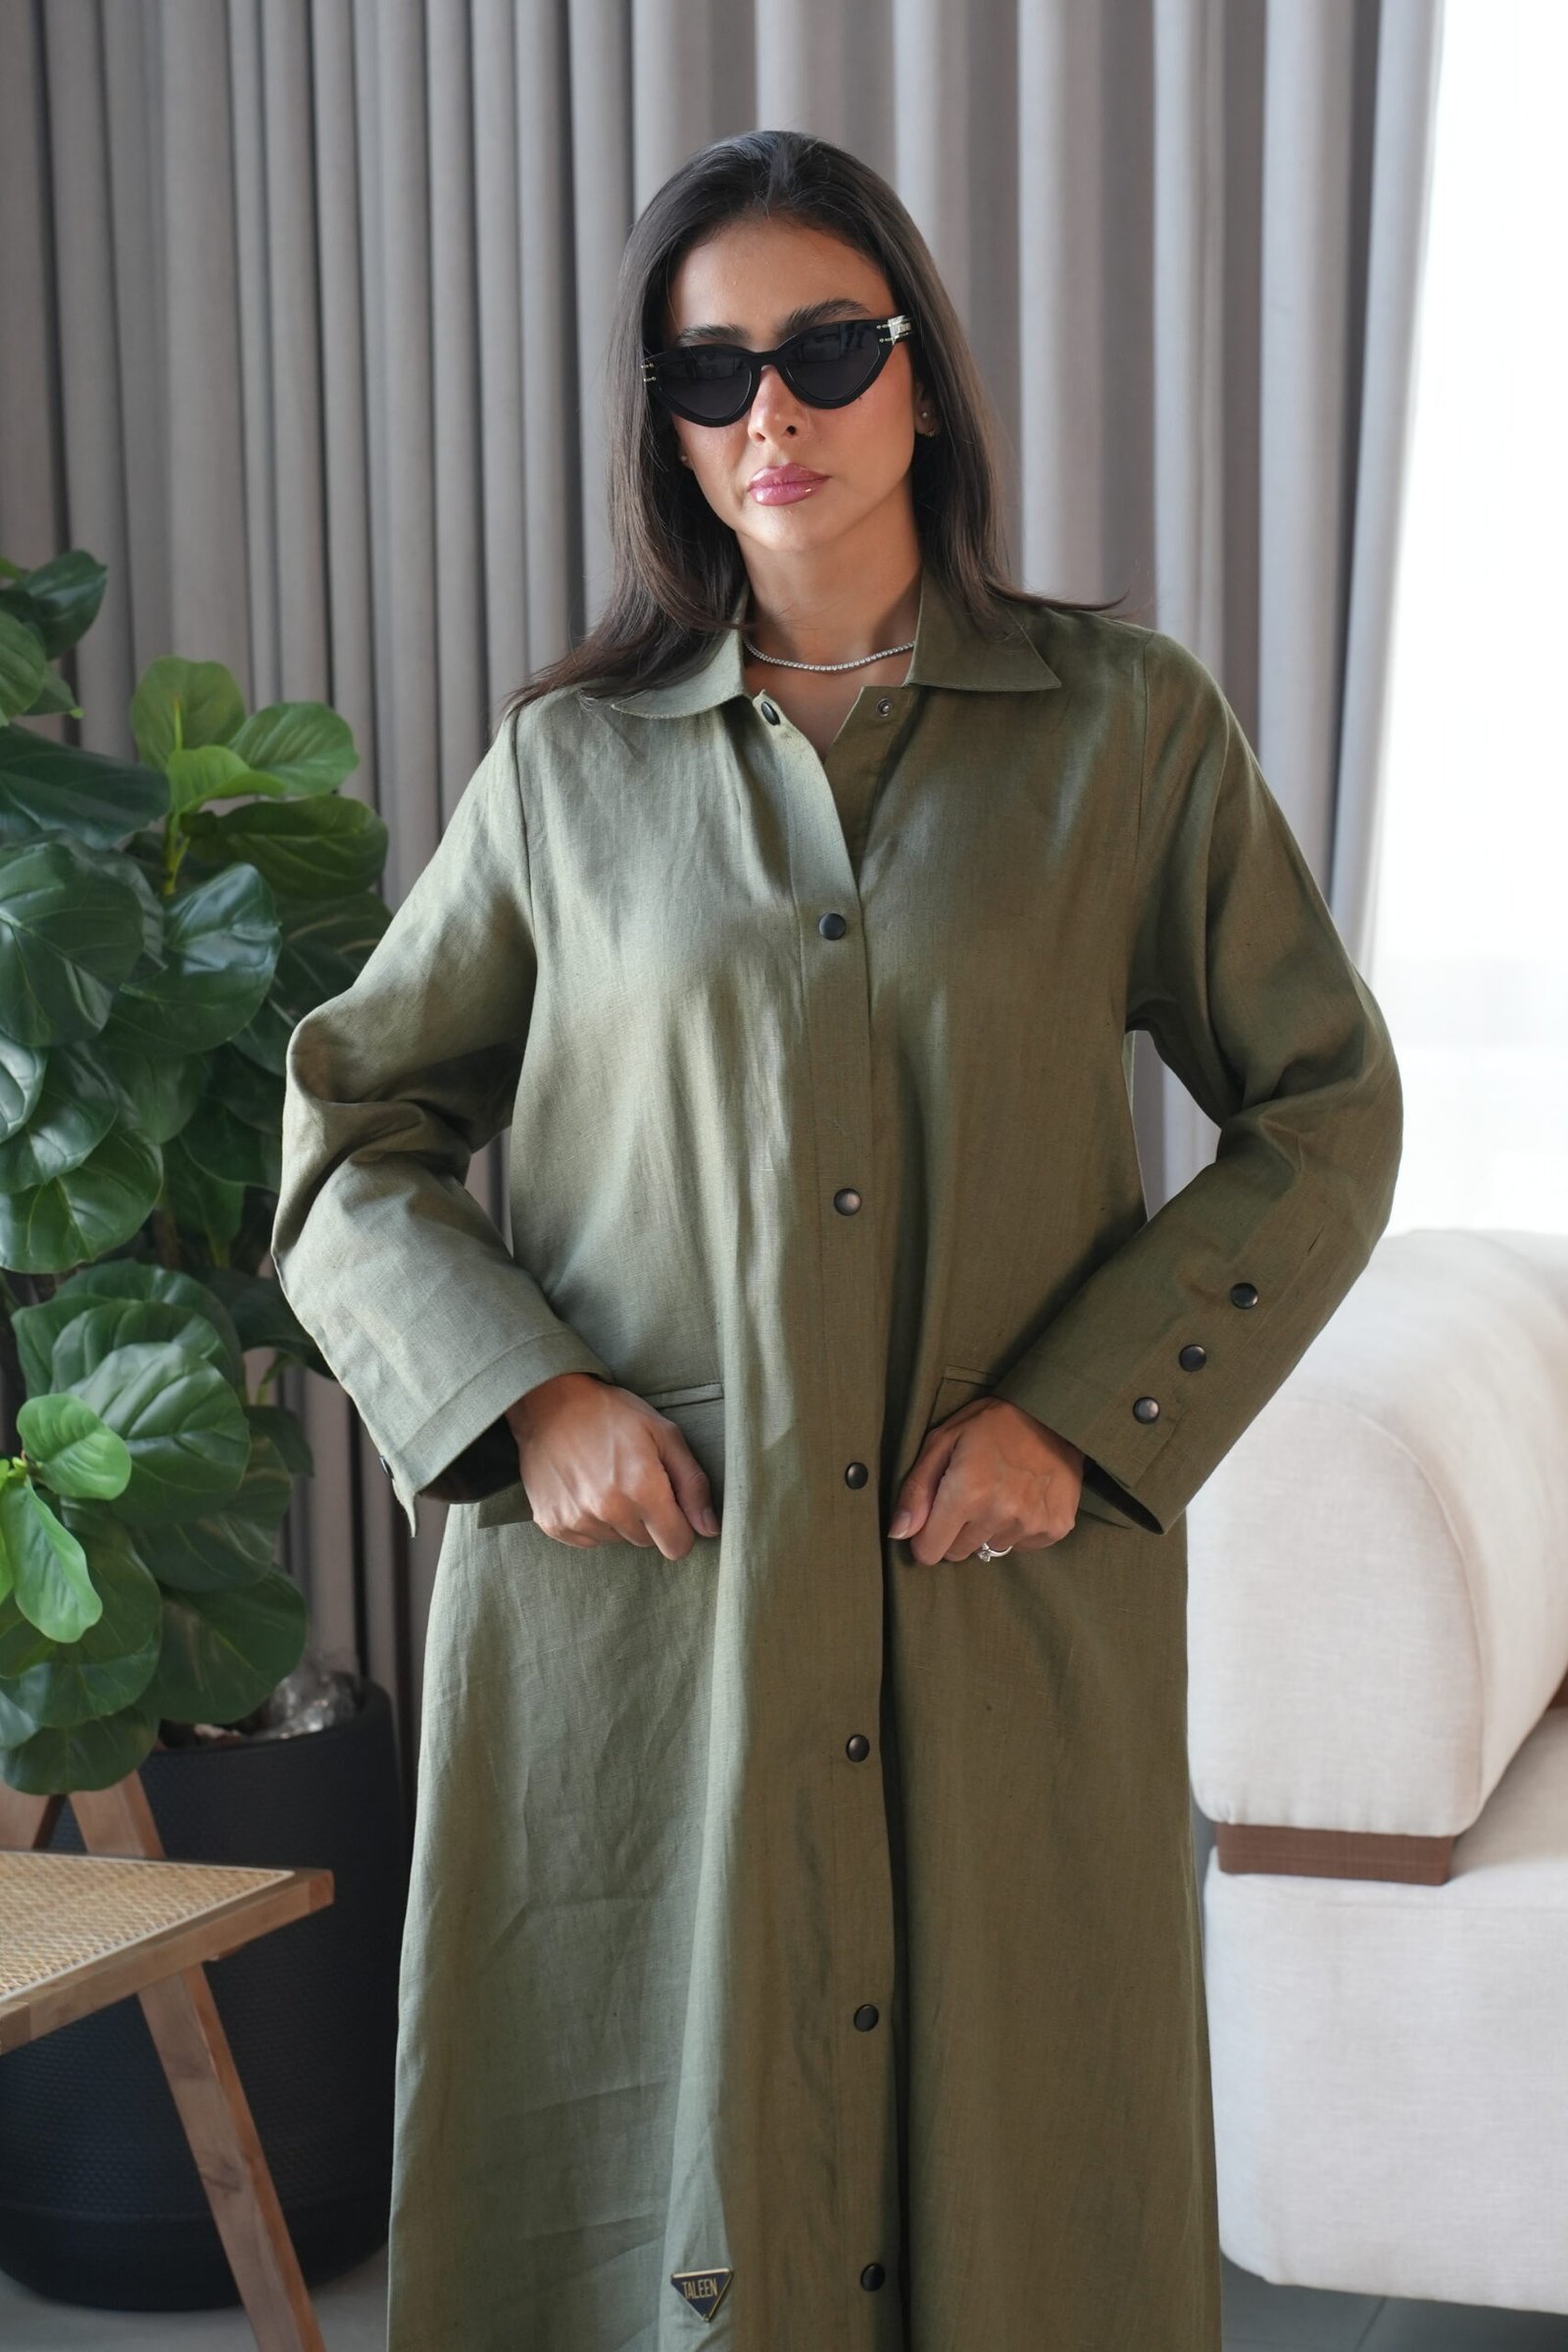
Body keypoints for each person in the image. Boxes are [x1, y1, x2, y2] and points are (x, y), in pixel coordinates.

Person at [271, 128, 1402, 2352]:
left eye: (822, 349)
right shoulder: (567, 773)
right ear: (666, 422)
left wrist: (1086, 1417)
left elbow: (1322, 1110)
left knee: (1019, 2165)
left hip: (995, 1592)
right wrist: (526, 1397)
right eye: (710, 372)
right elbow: (347, 1136)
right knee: (648, 2184)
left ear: (922, 376)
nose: (768, 411)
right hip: (644, 1619)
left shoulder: (1122, 733)